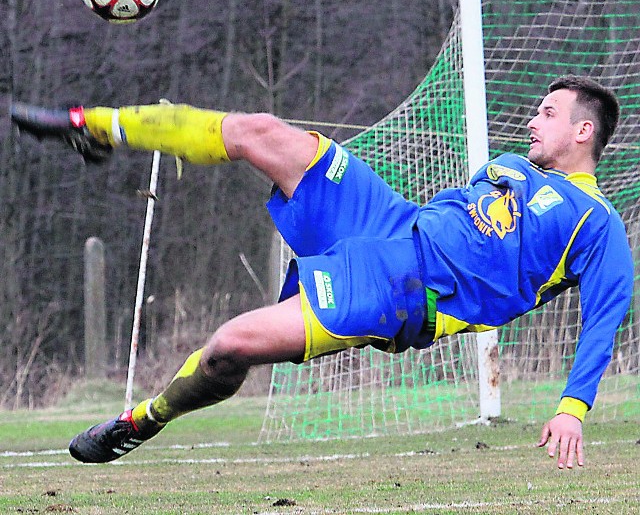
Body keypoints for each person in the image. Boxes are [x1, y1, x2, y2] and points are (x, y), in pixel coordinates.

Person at [10, 75, 633, 470]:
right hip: (393, 221)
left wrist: (572, 408)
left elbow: (603, 319)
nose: (532, 120)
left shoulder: (596, 220)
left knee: (229, 345)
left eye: (548, 113)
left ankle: (140, 421)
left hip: (403, 290)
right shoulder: (507, 167)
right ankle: (90, 126)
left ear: (583, 130)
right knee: (261, 132)